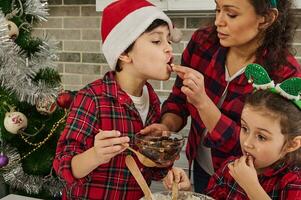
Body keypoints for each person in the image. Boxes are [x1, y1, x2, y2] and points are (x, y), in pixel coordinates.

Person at [141, 0, 301, 193]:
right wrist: (167, 126)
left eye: (231, 14)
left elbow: (257, 143)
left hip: (249, 181)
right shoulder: (203, 43)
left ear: (266, 18)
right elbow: (179, 100)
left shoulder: (284, 73)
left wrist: (203, 103)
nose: (218, 21)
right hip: (203, 167)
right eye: (217, 9)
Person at [53, 0, 182, 199]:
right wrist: (95, 155)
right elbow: (63, 166)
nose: (168, 49)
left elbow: (151, 170)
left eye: (168, 41)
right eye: (157, 41)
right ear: (123, 53)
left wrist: (166, 165)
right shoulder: (92, 98)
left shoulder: (153, 101)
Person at [163, 66, 301, 199]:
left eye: (261, 137)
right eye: (245, 128)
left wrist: (251, 187)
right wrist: (186, 193)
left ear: (292, 144)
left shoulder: (293, 182)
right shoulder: (228, 168)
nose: (247, 143)